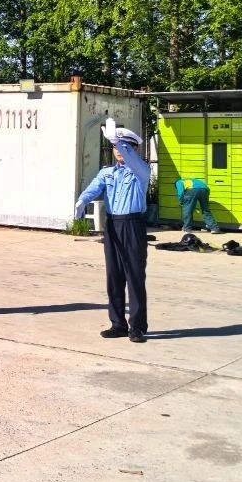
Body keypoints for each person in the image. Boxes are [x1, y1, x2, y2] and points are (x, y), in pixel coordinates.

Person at [75, 118, 151, 343]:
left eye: (124, 146)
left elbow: (133, 161)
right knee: (114, 277)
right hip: (113, 225)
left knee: (134, 276)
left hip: (133, 225)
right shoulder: (107, 172)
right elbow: (93, 188)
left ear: (134, 148)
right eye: (115, 146)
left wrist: (118, 140)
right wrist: (82, 201)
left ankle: (137, 327)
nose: (118, 150)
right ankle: (118, 324)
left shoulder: (141, 170)